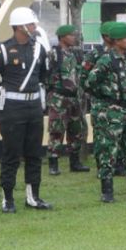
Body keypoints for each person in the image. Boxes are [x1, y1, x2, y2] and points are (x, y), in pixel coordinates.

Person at [0, 6, 52, 212]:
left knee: (34, 154)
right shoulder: (2, 49)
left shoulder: (38, 48)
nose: (34, 27)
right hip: (12, 108)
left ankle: (33, 196)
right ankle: (7, 199)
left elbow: (43, 75)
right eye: (31, 24)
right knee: (11, 154)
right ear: (19, 26)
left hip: (33, 106)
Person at [85, 22, 126, 203]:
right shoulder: (106, 60)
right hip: (111, 112)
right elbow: (90, 82)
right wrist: (106, 97)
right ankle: (107, 191)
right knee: (108, 150)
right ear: (116, 41)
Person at [44, 24, 90, 175]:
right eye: (71, 35)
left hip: (74, 98)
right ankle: (53, 164)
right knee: (56, 130)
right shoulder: (53, 54)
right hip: (59, 98)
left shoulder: (75, 54)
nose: (74, 38)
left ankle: (75, 162)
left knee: (76, 130)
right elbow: (45, 74)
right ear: (62, 37)